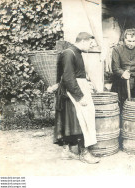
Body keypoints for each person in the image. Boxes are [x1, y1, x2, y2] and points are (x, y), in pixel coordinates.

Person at [53, 32, 100, 164]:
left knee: (72, 122)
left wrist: (87, 83)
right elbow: (68, 78)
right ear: (83, 41)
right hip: (72, 93)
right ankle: (84, 154)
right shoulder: (69, 53)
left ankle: (66, 151)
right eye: (91, 44)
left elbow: (77, 74)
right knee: (81, 122)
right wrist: (80, 96)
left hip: (76, 88)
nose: (91, 46)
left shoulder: (77, 53)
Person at [111, 28, 135, 108]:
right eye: (129, 41)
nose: (131, 43)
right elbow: (115, 67)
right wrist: (122, 73)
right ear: (124, 39)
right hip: (121, 83)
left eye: (133, 41)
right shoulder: (117, 50)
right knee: (121, 107)